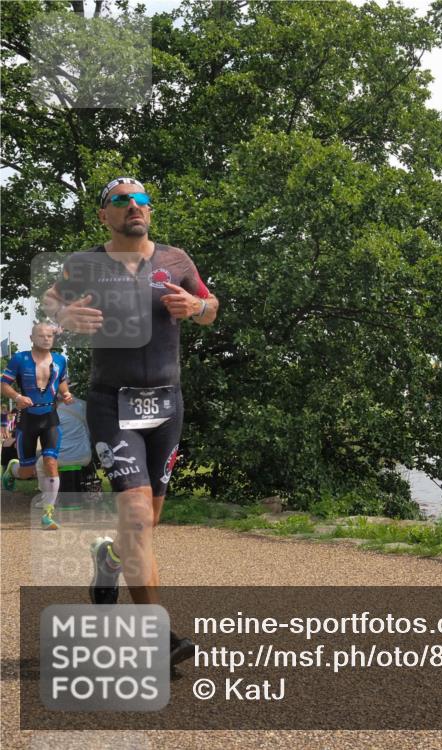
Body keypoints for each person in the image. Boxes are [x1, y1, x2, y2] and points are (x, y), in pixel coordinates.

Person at [45, 176, 218, 668]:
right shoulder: (86, 264)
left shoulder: (176, 261)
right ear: (105, 215)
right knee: (138, 518)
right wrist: (66, 317)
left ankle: (110, 560)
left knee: (147, 521)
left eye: (140, 199)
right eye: (120, 200)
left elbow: (211, 307)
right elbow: (51, 300)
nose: (133, 206)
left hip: (167, 406)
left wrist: (197, 306)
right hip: (111, 403)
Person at [1, 323, 74, 507]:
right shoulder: (19, 359)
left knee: (50, 461)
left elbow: (62, 382)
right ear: (32, 338)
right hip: (27, 418)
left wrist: (65, 394)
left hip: (50, 416)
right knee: (27, 471)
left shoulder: (60, 360)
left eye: (50, 336)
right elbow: (3, 384)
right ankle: (12, 469)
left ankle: (48, 512)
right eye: (41, 336)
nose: (46, 339)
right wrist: (17, 396)